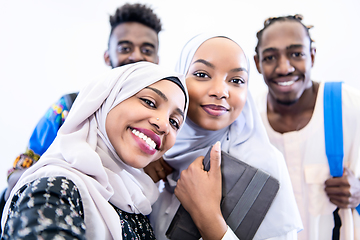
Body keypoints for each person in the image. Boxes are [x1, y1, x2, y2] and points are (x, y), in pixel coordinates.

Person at [2, 3, 162, 212]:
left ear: (157, 61)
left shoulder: (161, 126)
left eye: (146, 50)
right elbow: (17, 175)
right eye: (125, 48)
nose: (135, 56)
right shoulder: (68, 108)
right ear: (107, 56)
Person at [1, 61, 189, 240]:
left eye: (174, 122)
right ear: (107, 100)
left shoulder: (137, 202)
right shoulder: (55, 187)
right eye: (149, 102)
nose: (164, 125)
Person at [147, 33, 302, 240]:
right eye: (202, 75)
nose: (220, 91)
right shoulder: (152, 152)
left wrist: (209, 218)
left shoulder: (262, 164)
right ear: (180, 79)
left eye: (236, 80)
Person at [253, 14, 360, 239]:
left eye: (296, 54)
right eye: (271, 57)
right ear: (257, 63)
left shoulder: (351, 107)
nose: (284, 68)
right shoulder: (248, 122)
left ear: (312, 56)